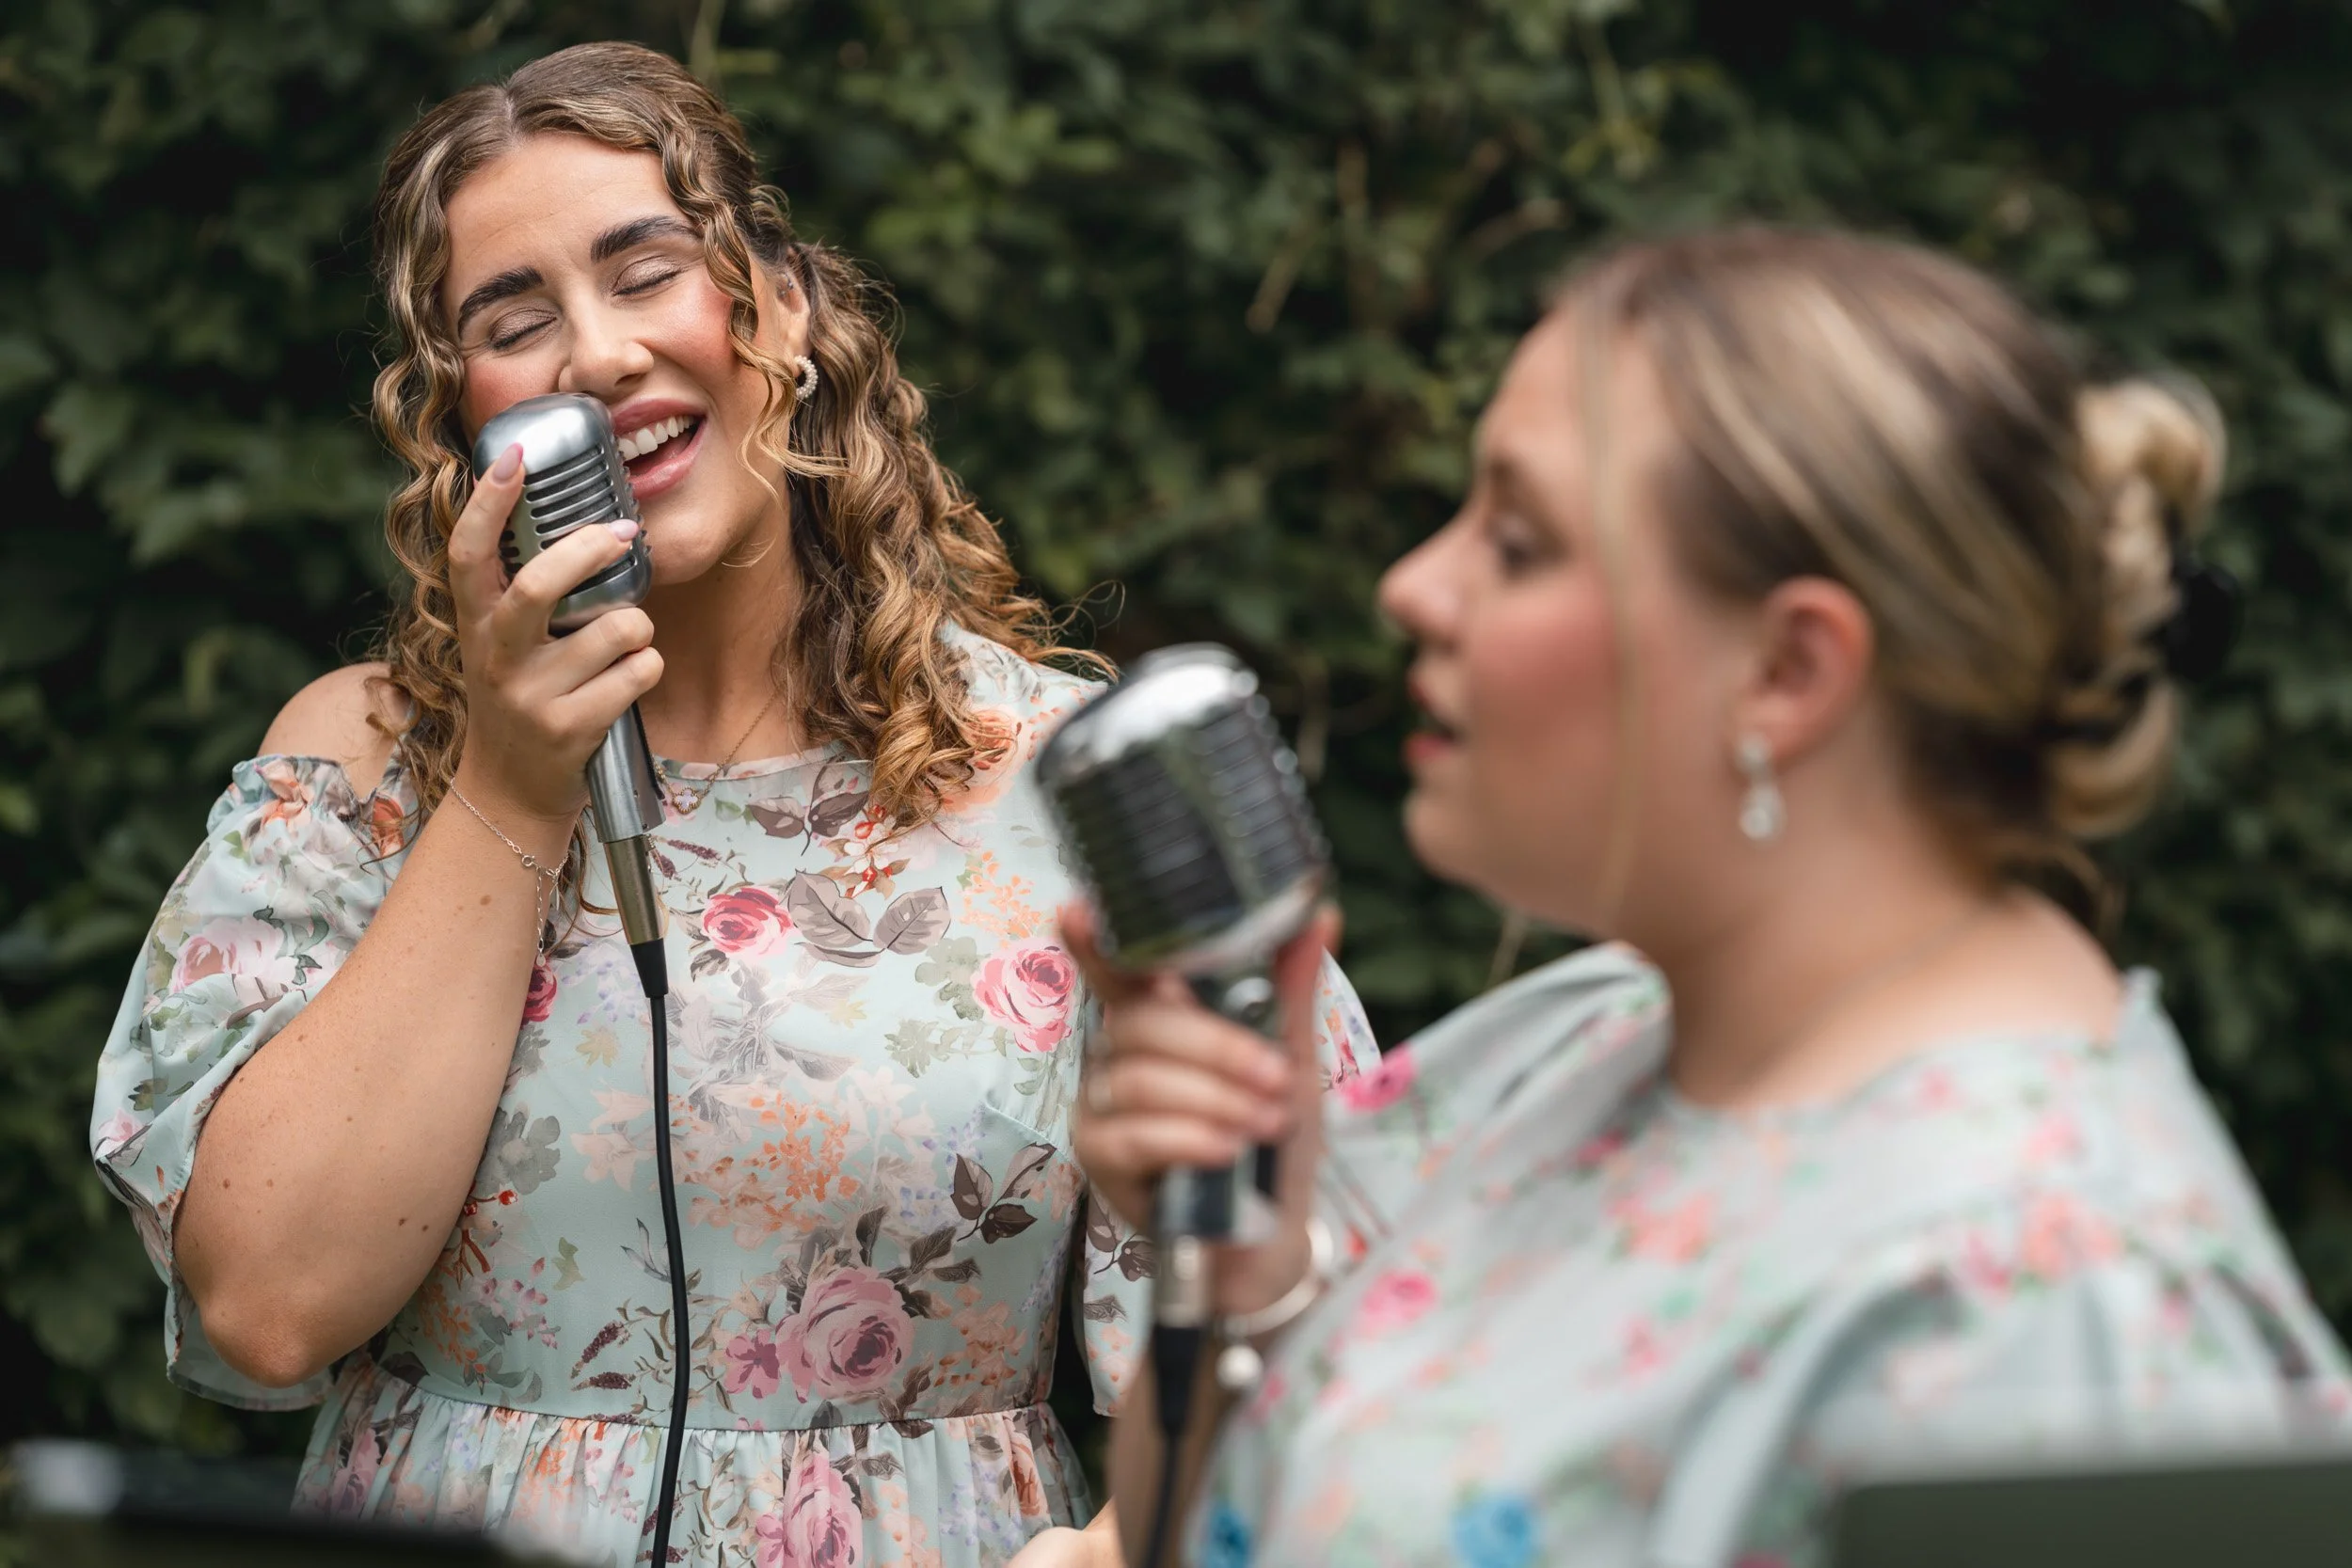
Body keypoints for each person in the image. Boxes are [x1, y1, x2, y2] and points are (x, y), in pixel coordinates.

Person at [87, 42, 1375, 1568]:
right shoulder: (364, 767)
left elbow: (1328, 1326)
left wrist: (1106, 1553)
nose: (599, 354)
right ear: (460, 419)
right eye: (515, 320)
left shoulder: (1067, 781)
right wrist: (509, 785)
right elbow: (268, 1303)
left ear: (785, 306)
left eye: (649, 272)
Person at [1070, 227, 2352, 1567]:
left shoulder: (2046, 1297)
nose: (1413, 586)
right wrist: (1251, 1270)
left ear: (1788, 672)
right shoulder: (1578, 1044)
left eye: (1517, 539)